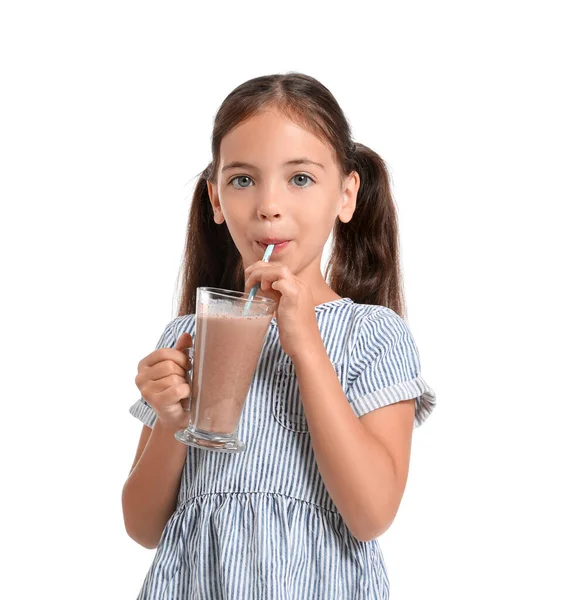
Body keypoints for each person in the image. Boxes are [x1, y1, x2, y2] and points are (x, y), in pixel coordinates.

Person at [122, 71, 437, 599]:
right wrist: (175, 421)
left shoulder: (374, 335)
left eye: (300, 179)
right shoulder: (188, 334)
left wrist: (307, 346)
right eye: (242, 179)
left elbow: (371, 514)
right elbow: (142, 526)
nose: (269, 204)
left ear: (346, 193)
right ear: (216, 200)